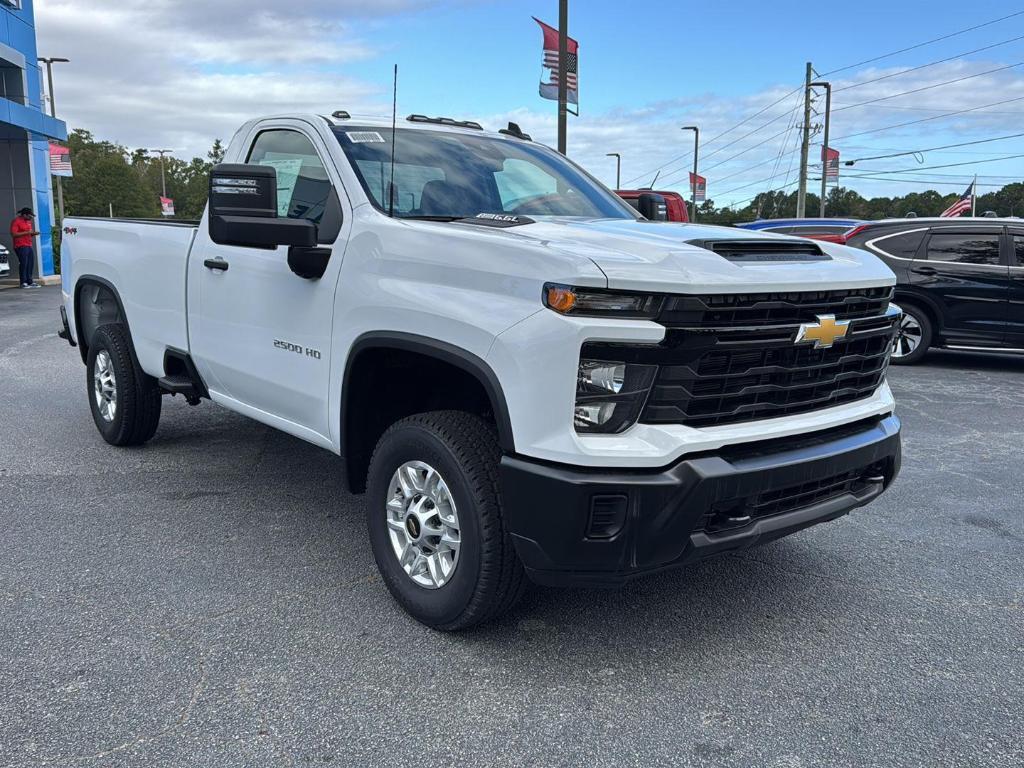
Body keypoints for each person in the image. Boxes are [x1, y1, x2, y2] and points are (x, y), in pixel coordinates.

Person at [11, 207, 41, 288]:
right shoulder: (16, 221)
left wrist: (34, 233)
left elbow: (29, 233)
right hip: (20, 245)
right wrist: (27, 232)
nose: (31, 218)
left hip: (28, 245)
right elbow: (14, 234)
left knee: (30, 263)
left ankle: (30, 281)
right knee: (24, 263)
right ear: (24, 215)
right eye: (29, 216)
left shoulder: (28, 222)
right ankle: (23, 282)